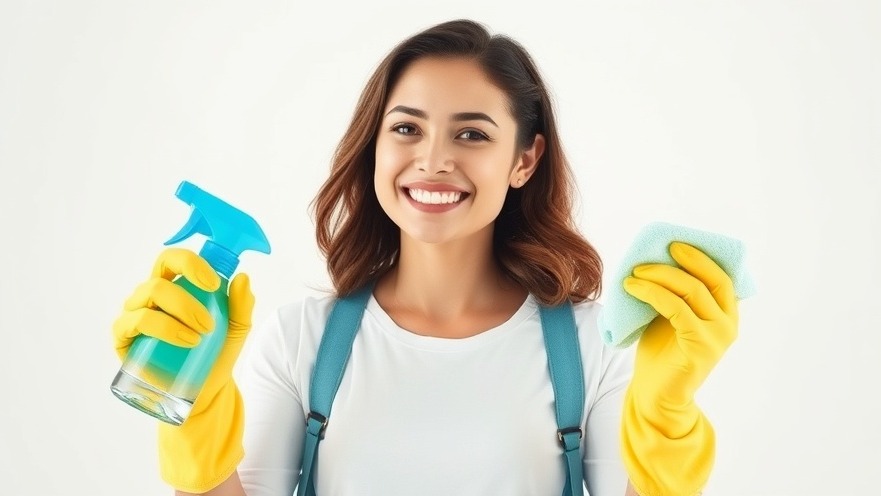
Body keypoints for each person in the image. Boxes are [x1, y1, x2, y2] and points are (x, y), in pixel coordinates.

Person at [112, 19, 739, 496]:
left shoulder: (592, 347)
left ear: (524, 159)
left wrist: (666, 417)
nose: (434, 160)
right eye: (407, 128)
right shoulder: (301, 339)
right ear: (375, 145)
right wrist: (191, 413)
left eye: (471, 134)